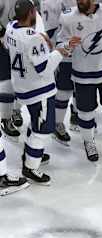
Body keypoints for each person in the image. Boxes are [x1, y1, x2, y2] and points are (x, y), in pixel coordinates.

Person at [4, 0, 79, 184]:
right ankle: (30, 167)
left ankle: (30, 153)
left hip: (21, 86)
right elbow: (44, 67)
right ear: (31, 12)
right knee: (43, 128)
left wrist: (40, 38)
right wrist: (63, 50)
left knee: (36, 122)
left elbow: (13, 45)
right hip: (38, 90)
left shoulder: (10, 28)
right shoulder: (33, 39)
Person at [57, 0, 102, 161]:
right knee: (85, 112)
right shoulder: (67, 17)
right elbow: (60, 44)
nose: (80, 1)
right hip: (82, 74)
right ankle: (89, 142)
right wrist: (67, 45)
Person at [41, 0, 78, 144]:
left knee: (81, 84)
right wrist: (56, 52)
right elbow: (51, 31)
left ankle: (76, 113)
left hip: (83, 49)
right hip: (64, 49)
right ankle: (57, 123)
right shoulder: (52, 2)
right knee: (64, 89)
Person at [0, 0, 22, 141]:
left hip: (21, 41)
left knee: (21, 78)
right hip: (3, 43)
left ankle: (16, 110)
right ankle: (6, 119)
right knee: (7, 80)